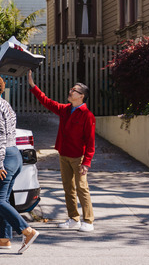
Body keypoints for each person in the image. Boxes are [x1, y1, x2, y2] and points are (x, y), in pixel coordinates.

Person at [27, 70, 96, 232]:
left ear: (81, 96)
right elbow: (47, 102)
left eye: (74, 90)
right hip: (64, 155)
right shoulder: (65, 109)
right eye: (71, 89)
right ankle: (73, 218)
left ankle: (88, 220)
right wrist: (33, 86)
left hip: (78, 157)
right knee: (68, 188)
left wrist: (86, 162)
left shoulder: (87, 115)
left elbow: (91, 142)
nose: (71, 92)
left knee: (82, 188)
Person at [0, 74, 39, 254]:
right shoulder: (5, 104)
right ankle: (5, 239)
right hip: (14, 155)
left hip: (3, 157)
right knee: (3, 199)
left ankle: (27, 231)